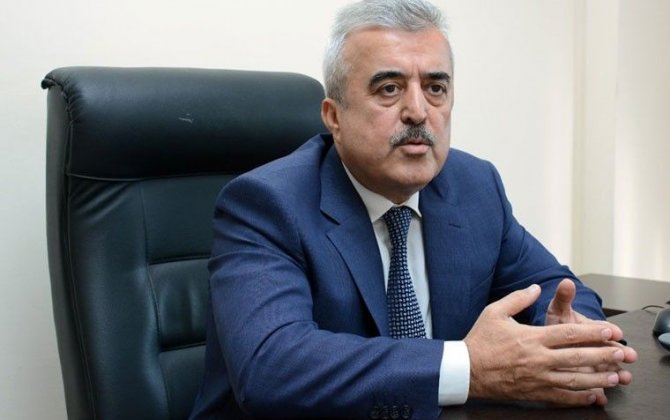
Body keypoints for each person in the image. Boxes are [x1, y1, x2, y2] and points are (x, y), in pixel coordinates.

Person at [190, 0, 637, 418]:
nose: (418, 112)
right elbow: (271, 367)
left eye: (435, 88)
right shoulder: (266, 205)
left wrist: (572, 336)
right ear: (334, 116)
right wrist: (469, 366)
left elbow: (553, 284)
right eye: (389, 89)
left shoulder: (474, 186)